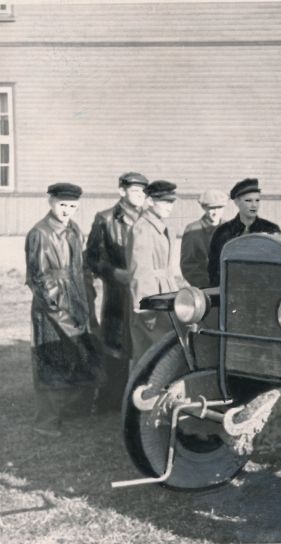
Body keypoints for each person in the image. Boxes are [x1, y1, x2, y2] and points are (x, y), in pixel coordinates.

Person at [25, 183, 102, 437]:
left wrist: (85, 299)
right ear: (50, 202)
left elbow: (81, 267)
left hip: (77, 300)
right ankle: (46, 422)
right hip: (51, 308)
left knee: (78, 355)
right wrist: (61, 315)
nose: (67, 210)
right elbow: (39, 280)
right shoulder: (39, 233)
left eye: (72, 206)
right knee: (51, 360)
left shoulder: (74, 229)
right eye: (62, 205)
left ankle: (73, 412)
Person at [85, 171, 148, 412]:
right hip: (117, 294)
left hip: (143, 291)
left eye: (143, 191)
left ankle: (140, 400)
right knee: (115, 347)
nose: (140, 195)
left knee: (143, 343)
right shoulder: (105, 219)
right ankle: (109, 401)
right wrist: (113, 273)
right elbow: (92, 258)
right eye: (135, 190)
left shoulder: (149, 218)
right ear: (122, 191)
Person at [127, 180, 186, 367]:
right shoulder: (143, 228)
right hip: (152, 300)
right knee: (151, 358)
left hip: (165, 295)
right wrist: (147, 310)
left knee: (162, 356)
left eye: (171, 202)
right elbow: (140, 273)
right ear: (150, 201)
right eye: (164, 202)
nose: (170, 207)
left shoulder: (160, 225)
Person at [207, 178, 281, 287]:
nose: (254, 205)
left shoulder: (271, 230)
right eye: (248, 201)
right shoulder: (222, 233)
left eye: (257, 200)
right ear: (237, 202)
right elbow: (214, 269)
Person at [180, 189, 227, 288]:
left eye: (219, 207)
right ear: (204, 208)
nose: (215, 212)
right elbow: (188, 265)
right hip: (206, 288)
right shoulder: (192, 230)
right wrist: (208, 286)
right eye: (211, 208)